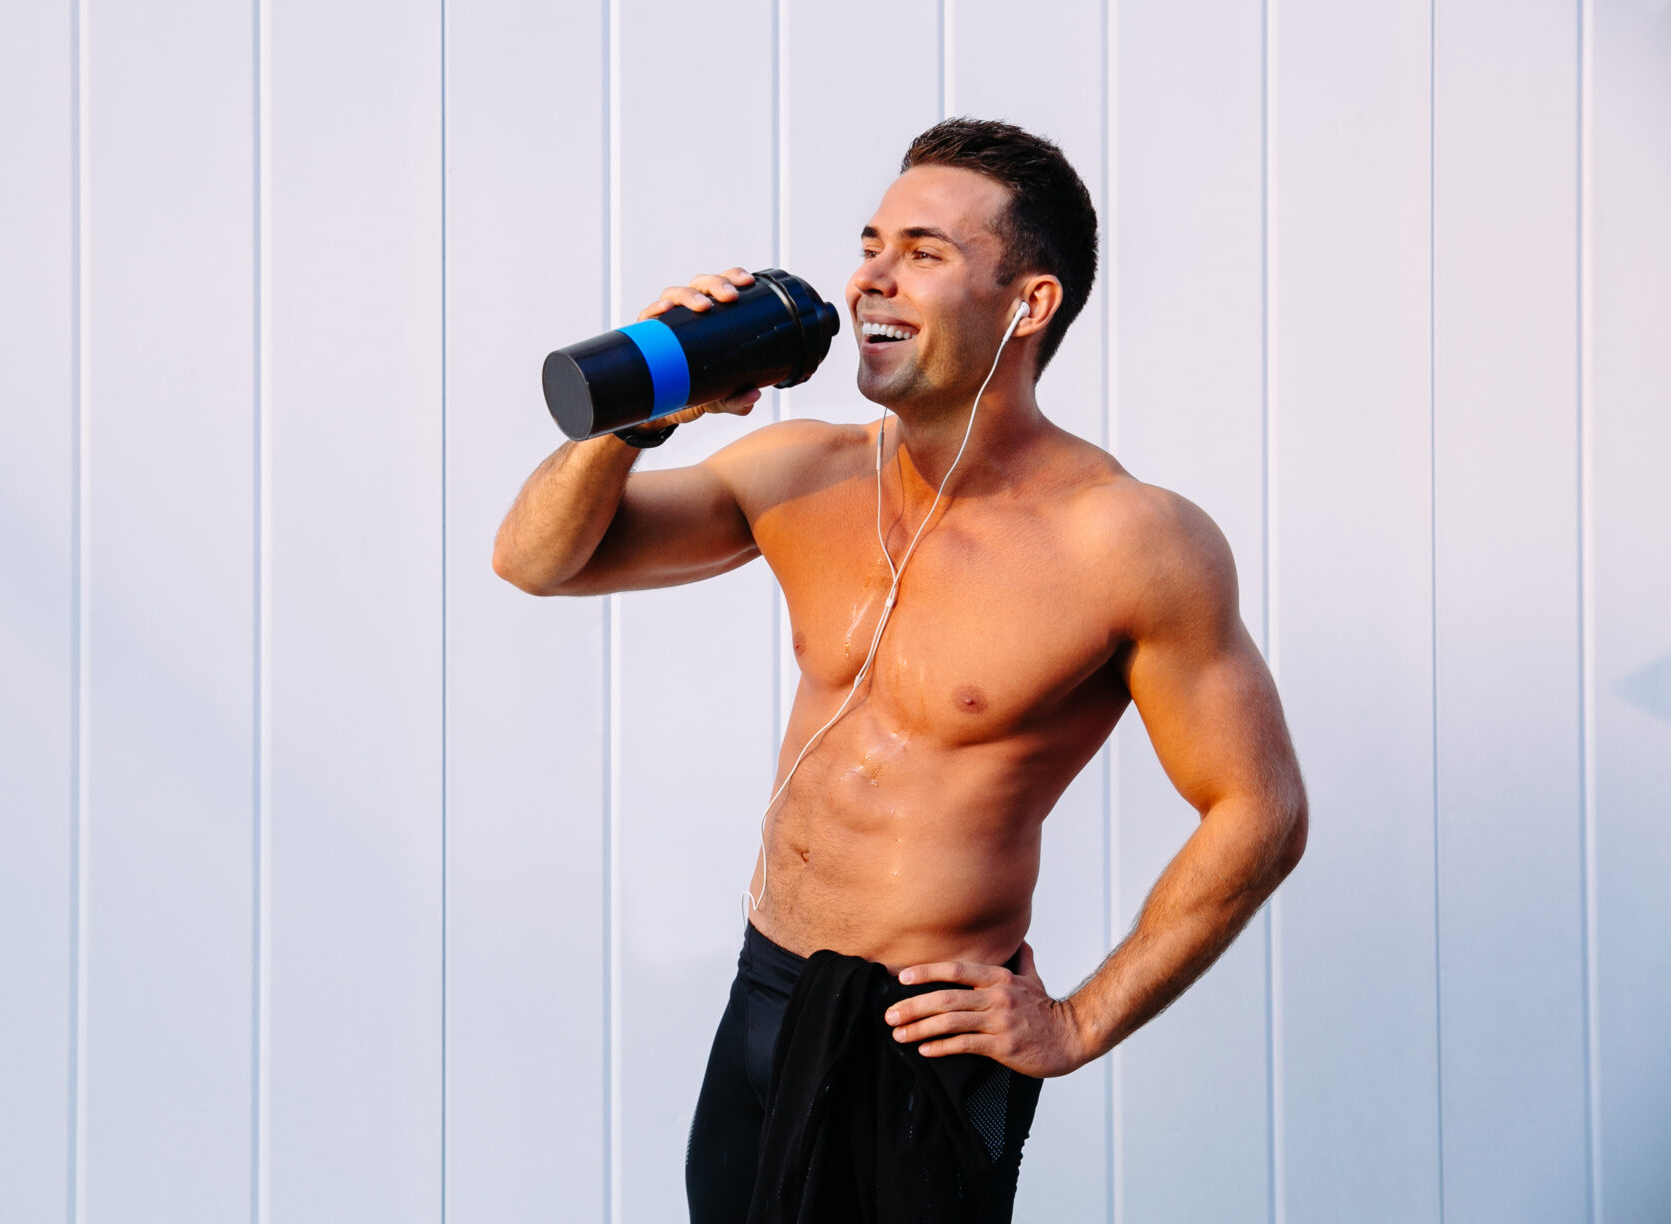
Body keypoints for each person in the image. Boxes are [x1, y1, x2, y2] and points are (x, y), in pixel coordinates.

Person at [492, 117, 1308, 1222]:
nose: (872, 275)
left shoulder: (1127, 542)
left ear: (1029, 303)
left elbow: (1257, 810)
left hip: (922, 1036)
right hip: (765, 992)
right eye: (871, 242)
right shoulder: (799, 472)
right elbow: (538, 559)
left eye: (924, 251)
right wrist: (643, 414)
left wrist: (1077, 1020)